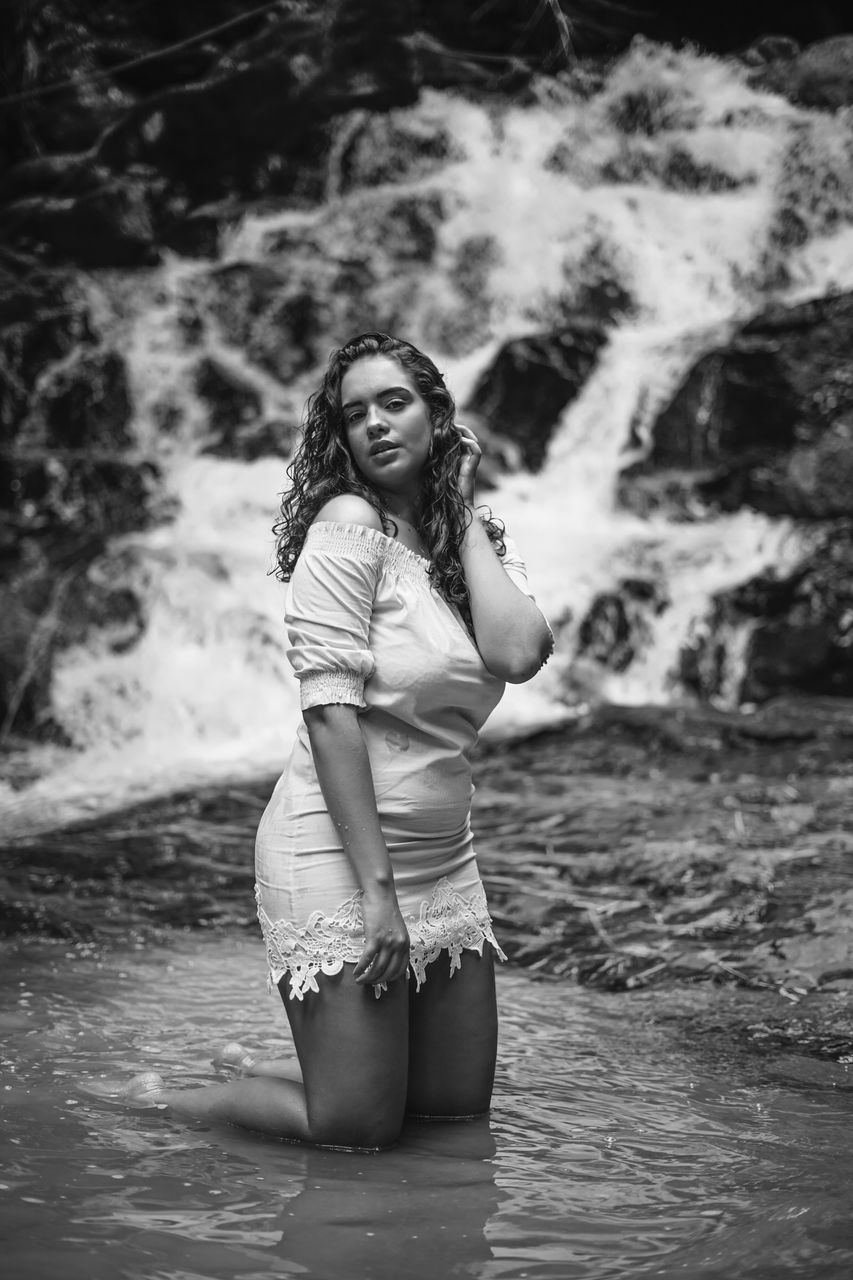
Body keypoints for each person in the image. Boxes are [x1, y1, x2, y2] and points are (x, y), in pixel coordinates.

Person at [125, 332, 553, 1147]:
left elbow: (518, 652)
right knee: (355, 1131)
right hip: (339, 854)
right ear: (341, 439)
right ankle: (157, 1099)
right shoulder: (348, 523)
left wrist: (458, 511)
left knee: (453, 1114)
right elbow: (329, 711)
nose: (377, 425)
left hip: (443, 855)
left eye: (395, 403)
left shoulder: (475, 533)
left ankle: (277, 1064)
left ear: (437, 414)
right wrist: (378, 896)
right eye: (355, 415)